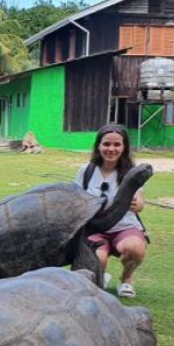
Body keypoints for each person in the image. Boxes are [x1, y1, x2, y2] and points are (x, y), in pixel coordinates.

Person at [75, 124, 147, 298]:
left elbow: (140, 204)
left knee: (135, 249)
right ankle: (102, 275)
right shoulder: (86, 171)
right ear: (98, 146)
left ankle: (126, 279)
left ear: (124, 147)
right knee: (97, 260)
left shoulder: (131, 172)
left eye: (117, 145)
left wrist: (136, 204)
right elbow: (76, 200)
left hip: (124, 226)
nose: (111, 149)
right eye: (106, 144)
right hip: (95, 228)